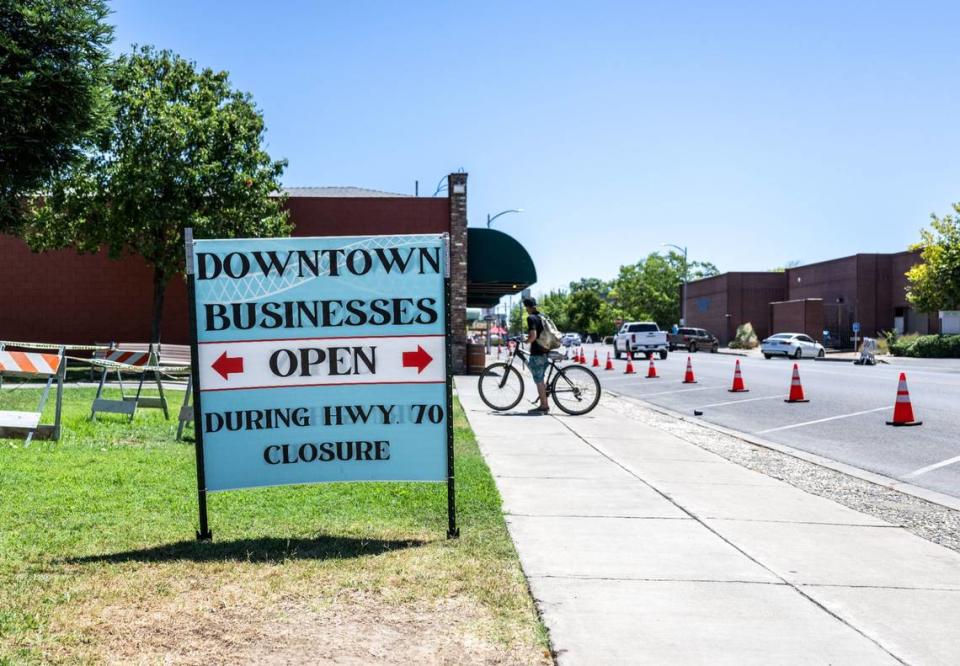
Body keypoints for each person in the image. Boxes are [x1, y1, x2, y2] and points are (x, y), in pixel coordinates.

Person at [523, 297, 550, 414]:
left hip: (537, 353)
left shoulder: (531, 318)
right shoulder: (541, 316)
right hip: (545, 350)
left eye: (526, 308)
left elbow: (533, 336)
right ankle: (544, 401)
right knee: (540, 379)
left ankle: (544, 405)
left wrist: (526, 341)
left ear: (528, 307)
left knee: (539, 380)